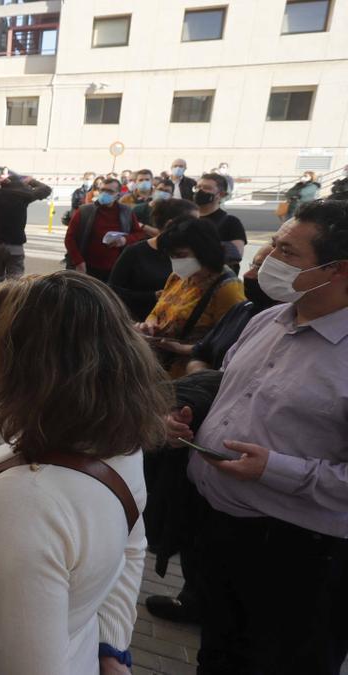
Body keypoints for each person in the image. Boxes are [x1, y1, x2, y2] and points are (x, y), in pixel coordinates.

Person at [0, 271, 169, 675]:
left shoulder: (26, 502)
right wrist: (111, 647)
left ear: (32, 370)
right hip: (80, 652)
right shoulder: (118, 444)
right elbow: (131, 545)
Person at [165, 200, 348, 675]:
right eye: (273, 243)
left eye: (287, 251)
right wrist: (188, 419)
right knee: (219, 655)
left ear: (339, 270)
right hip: (220, 531)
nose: (265, 256)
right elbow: (235, 391)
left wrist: (274, 469)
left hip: (298, 557)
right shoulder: (269, 320)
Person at [136, 217, 246, 378]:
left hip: (188, 374)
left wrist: (183, 349)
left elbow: (230, 344)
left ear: (205, 250)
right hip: (158, 368)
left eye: (181, 255)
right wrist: (149, 325)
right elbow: (158, 311)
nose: (176, 262)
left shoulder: (228, 288)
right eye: (172, 256)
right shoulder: (179, 277)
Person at [172, 245, 279, 374]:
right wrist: (204, 378)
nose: (247, 274)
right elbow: (201, 354)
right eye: (253, 266)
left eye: (260, 268)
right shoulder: (242, 310)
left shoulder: (286, 326)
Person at [109, 199, 199, 321]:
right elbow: (112, 291)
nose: (199, 228)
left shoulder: (195, 253)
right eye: (193, 223)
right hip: (139, 323)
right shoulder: (135, 252)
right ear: (170, 224)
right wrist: (152, 296)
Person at [0, 173, 51, 286]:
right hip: (15, 243)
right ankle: (12, 301)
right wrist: (31, 181)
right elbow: (46, 189)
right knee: (15, 280)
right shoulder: (24, 196)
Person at [65, 177, 146, 282]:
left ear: (117, 194)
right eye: (102, 190)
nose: (105, 193)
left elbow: (139, 234)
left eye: (110, 191)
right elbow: (69, 238)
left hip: (115, 269)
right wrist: (78, 262)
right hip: (87, 267)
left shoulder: (126, 212)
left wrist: (125, 240)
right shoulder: (84, 211)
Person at [194, 172, 247, 272]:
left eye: (207, 188)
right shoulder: (188, 219)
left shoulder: (231, 222)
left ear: (221, 194)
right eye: (198, 187)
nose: (199, 191)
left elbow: (236, 255)